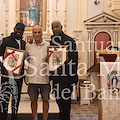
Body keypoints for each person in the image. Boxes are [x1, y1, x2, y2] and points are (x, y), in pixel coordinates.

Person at [50, 20, 78, 120]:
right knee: (59, 100)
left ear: (61, 27)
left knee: (66, 103)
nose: (55, 29)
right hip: (57, 78)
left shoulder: (70, 41)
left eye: (57, 27)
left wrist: (73, 76)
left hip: (67, 78)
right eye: (53, 27)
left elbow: (74, 59)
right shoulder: (52, 41)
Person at [0, 22, 26, 120]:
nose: (19, 31)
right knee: (4, 101)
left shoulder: (23, 43)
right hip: (6, 77)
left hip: (19, 77)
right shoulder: (5, 41)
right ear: (14, 29)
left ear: (23, 32)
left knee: (16, 101)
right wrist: (2, 68)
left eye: (21, 30)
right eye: (17, 29)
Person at [26, 25, 50, 120]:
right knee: (33, 101)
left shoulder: (48, 45)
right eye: (35, 32)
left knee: (45, 100)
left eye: (39, 32)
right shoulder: (28, 46)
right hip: (32, 78)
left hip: (45, 79)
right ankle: (34, 118)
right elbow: (23, 58)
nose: (37, 34)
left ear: (42, 33)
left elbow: (53, 59)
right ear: (32, 33)